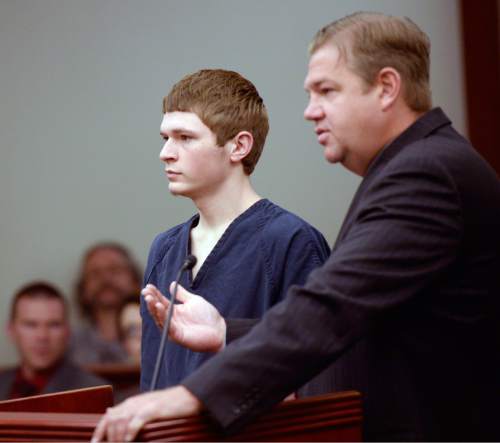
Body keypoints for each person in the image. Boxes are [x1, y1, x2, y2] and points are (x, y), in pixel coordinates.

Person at [92, 11, 500, 442]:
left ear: (386, 87)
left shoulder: (425, 174)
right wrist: (225, 331)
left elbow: (331, 312)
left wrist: (188, 397)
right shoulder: (417, 167)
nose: (310, 112)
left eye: (327, 90)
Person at [139, 69, 330, 390]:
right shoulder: (165, 249)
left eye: (185, 138)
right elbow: (152, 380)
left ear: (238, 146)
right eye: (165, 138)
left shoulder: (290, 241)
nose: (165, 153)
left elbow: (318, 374)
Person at [0, 281, 107, 400]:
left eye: (53, 325)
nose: (42, 336)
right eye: (31, 325)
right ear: (11, 330)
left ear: (67, 332)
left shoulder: (94, 391)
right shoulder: (3, 383)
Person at [70, 242, 142, 365]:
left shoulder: (158, 336)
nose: (106, 278)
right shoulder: (70, 344)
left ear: (135, 280)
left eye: (115, 270)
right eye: (95, 273)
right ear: (83, 289)